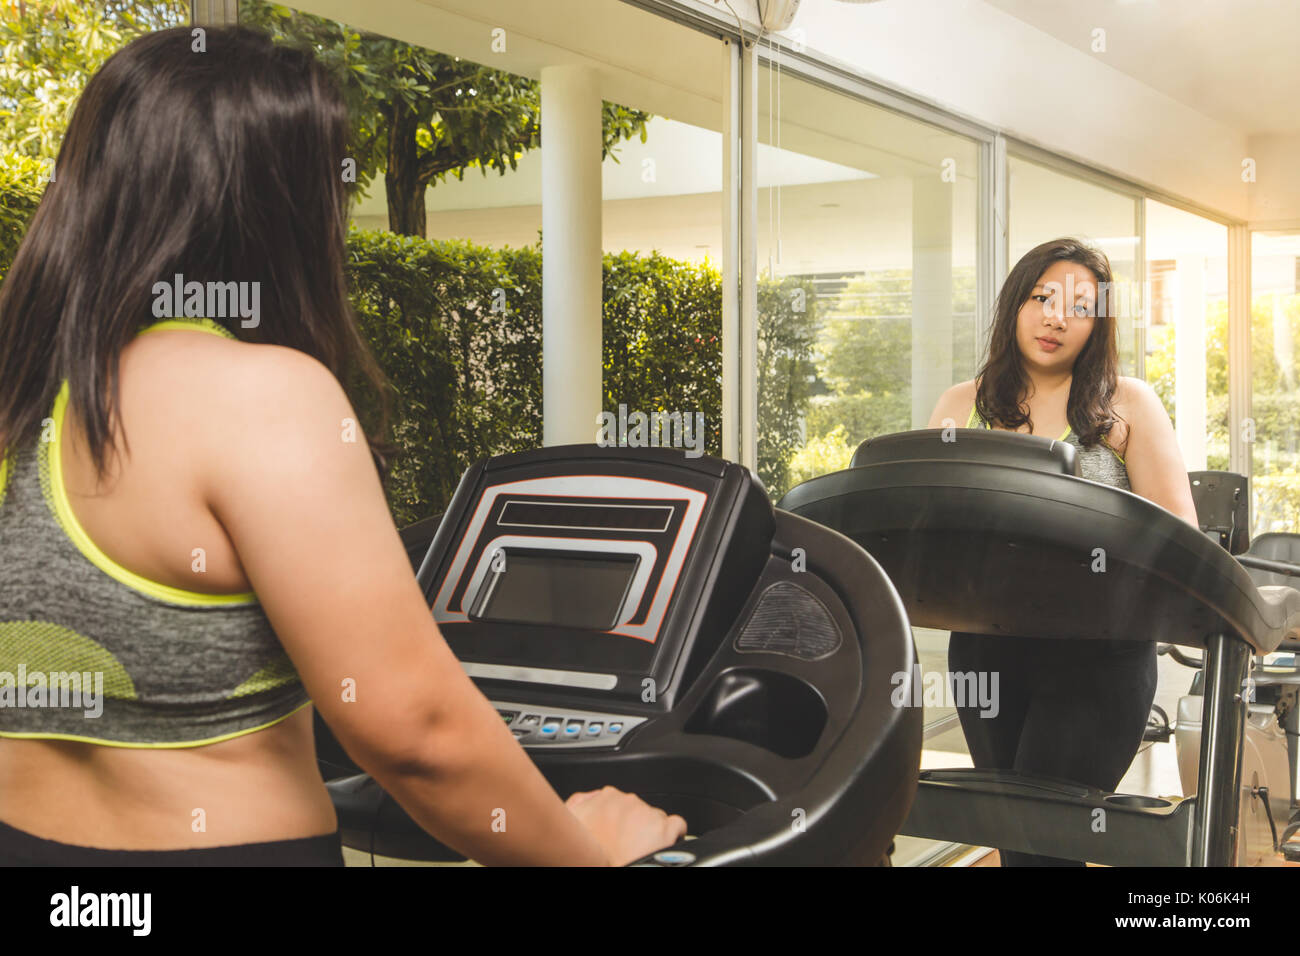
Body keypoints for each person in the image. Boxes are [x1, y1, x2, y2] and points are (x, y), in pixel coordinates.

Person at [0, 26, 685, 866]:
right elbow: (418, 735)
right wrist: (588, 856)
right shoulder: (255, 394)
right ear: (273, 203)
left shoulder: (26, 394)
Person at [926, 237, 1199, 866]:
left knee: (1040, 849)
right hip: (985, 650)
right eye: (1041, 297)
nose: (1055, 316)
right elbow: (933, 528)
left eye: (1078, 305)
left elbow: (1178, 533)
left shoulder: (1126, 403)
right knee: (1014, 842)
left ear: (1098, 324)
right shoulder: (957, 406)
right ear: (1014, 305)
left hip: (1097, 657)